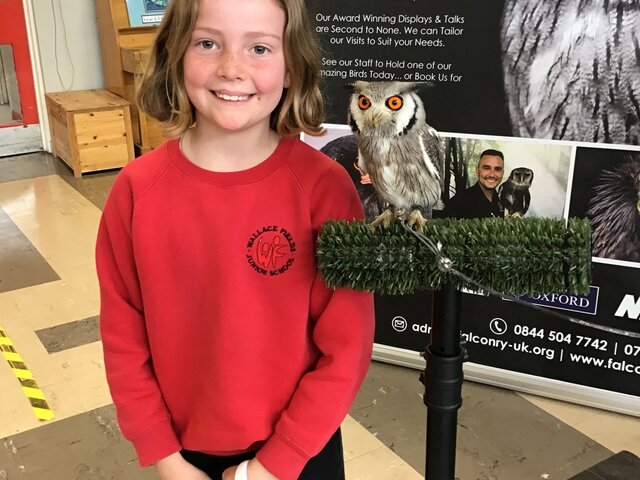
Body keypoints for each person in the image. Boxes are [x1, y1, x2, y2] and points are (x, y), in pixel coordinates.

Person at [95, 1, 375, 479]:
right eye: (208, 43)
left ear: (291, 67)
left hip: (299, 450)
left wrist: (273, 465)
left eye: (259, 48)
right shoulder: (136, 190)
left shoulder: (325, 189)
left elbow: (346, 345)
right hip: (182, 455)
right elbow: (124, 336)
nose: (231, 69)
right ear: (175, 54)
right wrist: (163, 456)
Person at [443, 149, 505, 218]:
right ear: (477, 171)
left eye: (497, 169)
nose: (492, 175)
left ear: (502, 173)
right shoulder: (458, 203)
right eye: (487, 168)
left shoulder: (504, 202)